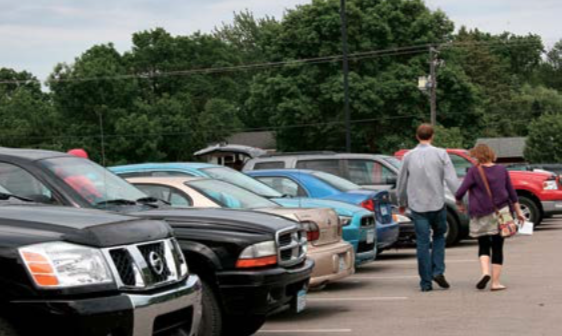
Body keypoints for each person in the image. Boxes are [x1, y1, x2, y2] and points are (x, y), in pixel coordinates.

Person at [397, 124, 460, 292]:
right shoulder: (441, 154)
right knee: (439, 237)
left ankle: (425, 282)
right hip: (437, 203)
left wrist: (401, 202)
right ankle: (438, 270)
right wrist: (459, 199)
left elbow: (401, 182)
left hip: (418, 206)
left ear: (417, 136)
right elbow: (451, 179)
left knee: (422, 243)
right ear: (432, 136)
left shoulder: (408, 156)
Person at [455, 144, 525, 291]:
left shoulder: (474, 171)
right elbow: (512, 193)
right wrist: (519, 212)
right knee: (498, 246)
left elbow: (460, 192)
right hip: (502, 213)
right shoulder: (501, 170)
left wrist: (459, 203)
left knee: (483, 244)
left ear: (476, 155)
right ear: (491, 154)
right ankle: (495, 282)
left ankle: (485, 272)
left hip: (481, 213)